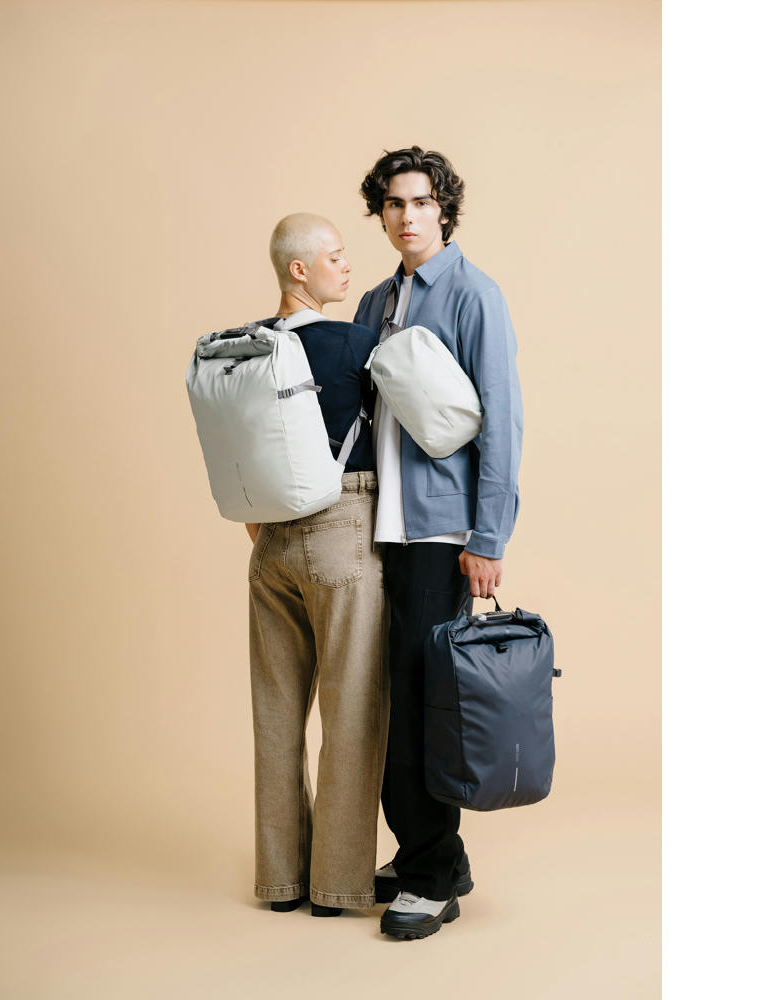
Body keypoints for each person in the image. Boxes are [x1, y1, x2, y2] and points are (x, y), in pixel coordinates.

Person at [354, 146, 524, 939]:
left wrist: (488, 535)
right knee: (389, 698)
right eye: (393, 203)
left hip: (441, 529)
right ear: (381, 214)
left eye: (421, 201)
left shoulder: (473, 293)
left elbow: (502, 420)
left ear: (443, 209)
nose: (407, 216)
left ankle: (432, 877)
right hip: (376, 526)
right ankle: (426, 854)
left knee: (426, 699)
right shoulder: (376, 300)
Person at [244, 213, 387, 917]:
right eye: (333, 256)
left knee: (276, 716)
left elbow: (236, 449)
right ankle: (334, 886)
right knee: (352, 710)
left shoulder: (242, 348)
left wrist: (262, 526)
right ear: (298, 270)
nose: (346, 266)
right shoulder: (356, 343)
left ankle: (281, 883)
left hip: (268, 543)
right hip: (342, 533)